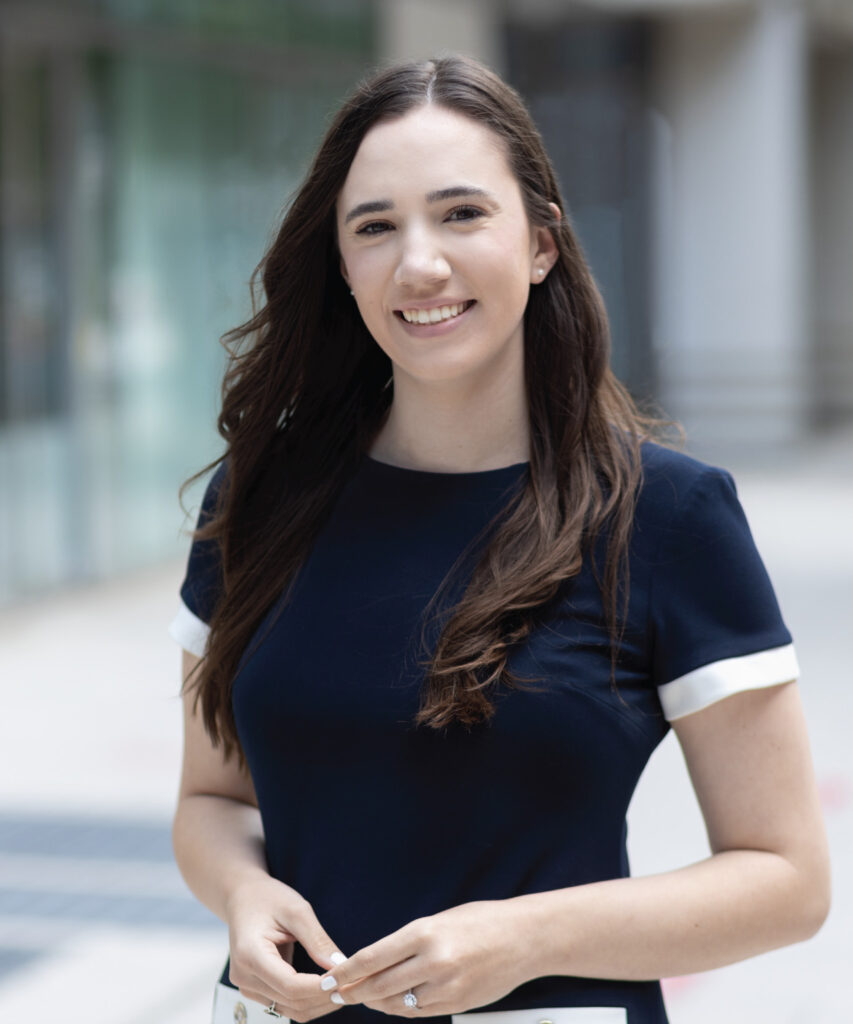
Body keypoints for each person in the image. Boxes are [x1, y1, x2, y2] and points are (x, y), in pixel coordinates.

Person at [169, 53, 830, 1024]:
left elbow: (786, 878)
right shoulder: (259, 499)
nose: (419, 262)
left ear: (541, 243)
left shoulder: (665, 518)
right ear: (342, 265)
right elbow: (211, 800)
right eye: (375, 227)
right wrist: (242, 893)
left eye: (462, 213)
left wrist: (524, 937)